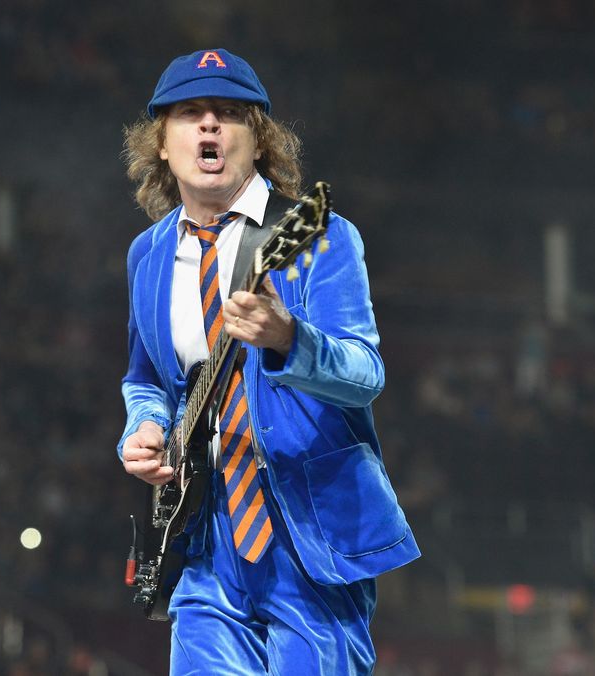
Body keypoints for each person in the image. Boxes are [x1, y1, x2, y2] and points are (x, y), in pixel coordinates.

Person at [118, 48, 420, 674]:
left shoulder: (320, 236)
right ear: (162, 143)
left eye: (228, 113)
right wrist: (143, 427)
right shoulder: (146, 255)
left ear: (258, 142)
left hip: (307, 534)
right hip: (204, 537)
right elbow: (145, 377)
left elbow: (364, 374)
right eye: (190, 113)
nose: (208, 125)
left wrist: (290, 340)